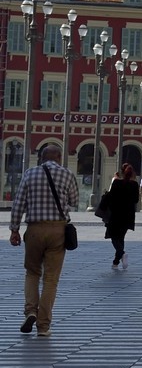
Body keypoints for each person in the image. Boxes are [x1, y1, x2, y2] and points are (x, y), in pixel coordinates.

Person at [9, 142, 79, 337]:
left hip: (34, 229)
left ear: (42, 158)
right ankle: (43, 325)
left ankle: (31, 311)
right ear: (58, 158)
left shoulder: (30, 174)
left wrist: (14, 229)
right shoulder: (67, 174)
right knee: (51, 279)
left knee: (32, 273)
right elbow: (74, 201)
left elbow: (18, 204)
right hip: (58, 230)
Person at [102, 162, 141, 271]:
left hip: (115, 214)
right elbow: (136, 200)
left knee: (114, 237)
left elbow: (110, 197)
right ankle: (115, 263)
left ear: (122, 172)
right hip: (128, 215)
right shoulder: (134, 185)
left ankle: (122, 253)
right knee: (121, 238)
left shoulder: (116, 183)